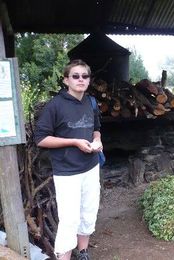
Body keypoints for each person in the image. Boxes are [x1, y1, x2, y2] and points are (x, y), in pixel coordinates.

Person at [34, 59, 102, 260]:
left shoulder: (91, 102)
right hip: (67, 172)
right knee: (69, 219)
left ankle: (83, 253)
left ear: (89, 80)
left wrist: (97, 140)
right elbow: (41, 139)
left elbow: (96, 128)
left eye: (85, 76)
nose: (81, 79)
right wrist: (74, 142)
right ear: (66, 80)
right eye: (75, 76)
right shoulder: (55, 106)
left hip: (91, 166)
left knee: (88, 212)